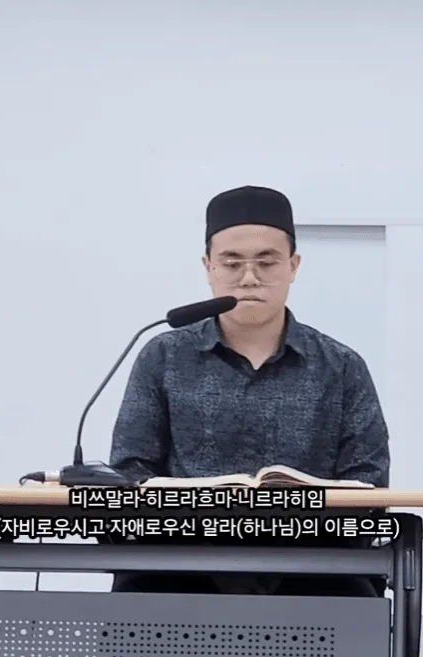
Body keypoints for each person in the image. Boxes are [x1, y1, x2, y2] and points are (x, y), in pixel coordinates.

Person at [108, 185, 390, 596]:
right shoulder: (163, 356)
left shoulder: (342, 366)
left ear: (293, 266)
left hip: (312, 567)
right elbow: (130, 473)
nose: (249, 278)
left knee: (352, 591)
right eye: (232, 263)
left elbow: (368, 486)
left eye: (266, 262)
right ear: (209, 267)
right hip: (183, 563)